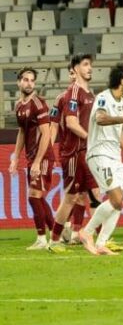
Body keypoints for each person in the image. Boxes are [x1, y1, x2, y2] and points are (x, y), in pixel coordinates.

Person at [79, 64, 123, 255]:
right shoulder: (103, 97)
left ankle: (101, 243)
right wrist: (122, 119)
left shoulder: (122, 102)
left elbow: (117, 131)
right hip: (99, 153)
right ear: (121, 80)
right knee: (115, 198)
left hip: (115, 156)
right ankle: (86, 232)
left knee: (119, 202)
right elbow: (100, 119)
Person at [47, 54, 98, 253]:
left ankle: (99, 239)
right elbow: (66, 124)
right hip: (74, 153)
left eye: (90, 64)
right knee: (71, 197)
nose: (90, 68)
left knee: (94, 195)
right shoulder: (70, 94)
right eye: (85, 64)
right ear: (75, 70)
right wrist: (49, 151)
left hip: (88, 151)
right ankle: (54, 240)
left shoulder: (91, 94)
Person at [9, 68, 56, 249]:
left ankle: (42, 239)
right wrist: (15, 158)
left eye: (32, 80)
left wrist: (37, 161)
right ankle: (57, 235)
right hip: (32, 157)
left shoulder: (38, 103)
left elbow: (46, 133)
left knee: (34, 196)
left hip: (43, 157)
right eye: (26, 80)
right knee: (38, 197)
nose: (29, 83)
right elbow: (22, 132)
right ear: (19, 82)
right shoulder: (19, 106)